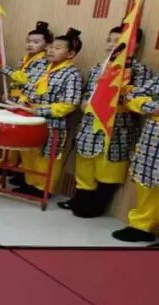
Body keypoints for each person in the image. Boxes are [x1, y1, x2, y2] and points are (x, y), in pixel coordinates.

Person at [65, 27, 152, 217]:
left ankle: (97, 205)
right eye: (109, 40)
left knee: (109, 167)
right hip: (90, 123)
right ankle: (81, 199)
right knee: (85, 164)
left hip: (117, 126)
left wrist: (116, 95)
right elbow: (88, 92)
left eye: (118, 41)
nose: (112, 45)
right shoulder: (99, 67)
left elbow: (139, 98)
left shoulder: (138, 70)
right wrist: (85, 102)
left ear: (134, 45)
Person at [15, 28, 84, 198]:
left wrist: (39, 110)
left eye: (58, 48)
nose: (51, 50)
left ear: (70, 54)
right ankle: (29, 183)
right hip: (30, 119)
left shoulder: (72, 74)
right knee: (29, 153)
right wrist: (22, 101)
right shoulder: (43, 68)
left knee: (47, 157)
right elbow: (28, 88)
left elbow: (70, 104)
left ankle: (43, 189)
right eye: (51, 47)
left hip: (53, 123)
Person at [112, 66, 159, 244]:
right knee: (146, 180)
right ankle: (142, 225)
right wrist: (150, 106)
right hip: (152, 137)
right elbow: (133, 95)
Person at [1, 21, 52, 102]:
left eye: (36, 42)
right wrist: (10, 93)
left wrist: (7, 70)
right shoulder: (25, 59)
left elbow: (26, 80)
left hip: (28, 101)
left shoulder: (43, 62)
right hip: (17, 99)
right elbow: (18, 83)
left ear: (47, 46)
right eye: (28, 41)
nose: (30, 44)